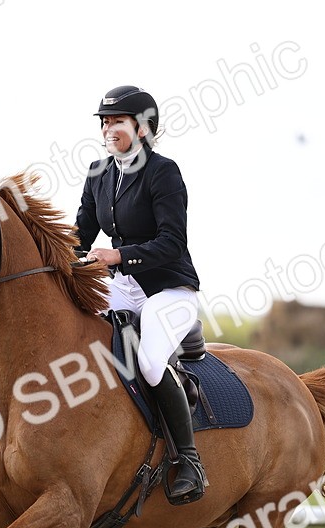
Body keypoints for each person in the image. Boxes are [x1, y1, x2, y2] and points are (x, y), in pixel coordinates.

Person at [75, 85, 207, 504]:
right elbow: (80, 235)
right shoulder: (98, 173)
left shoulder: (163, 172)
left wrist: (117, 255)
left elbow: (172, 241)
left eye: (117, 121)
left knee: (148, 363)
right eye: (104, 121)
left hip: (169, 287)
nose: (108, 128)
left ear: (143, 127)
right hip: (123, 287)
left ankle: (189, 460)